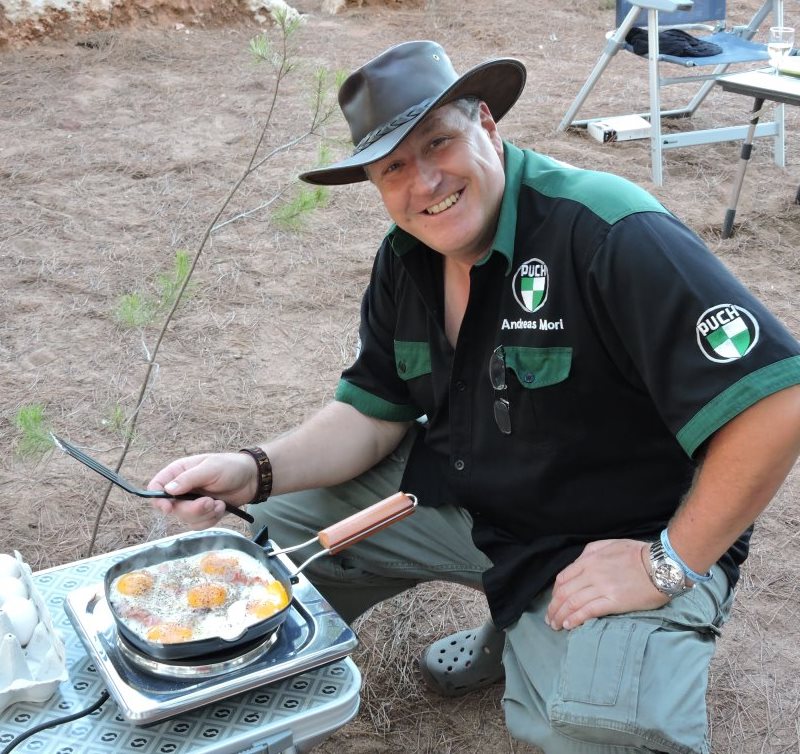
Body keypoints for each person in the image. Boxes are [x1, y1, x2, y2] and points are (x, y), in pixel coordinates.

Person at [148, 40, 800, 753]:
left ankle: (549, 633)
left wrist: (666, 561)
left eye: (439, 143)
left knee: (606, 734)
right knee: (258, 541)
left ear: (487, 125)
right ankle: (514, 626)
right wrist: (254, 469)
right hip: (474, 499)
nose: (424, 182)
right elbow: (372, 411)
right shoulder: (407, 256)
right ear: (373, 180)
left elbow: (778, 400)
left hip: (617, 532)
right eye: (394, 166)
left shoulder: (607, 230)